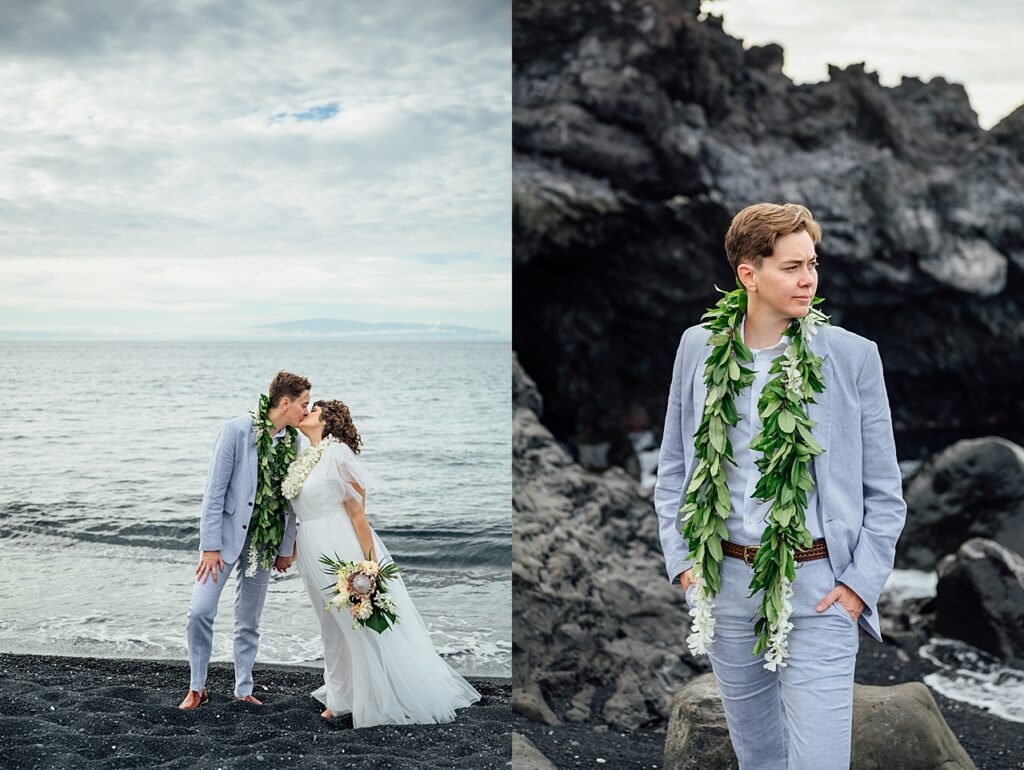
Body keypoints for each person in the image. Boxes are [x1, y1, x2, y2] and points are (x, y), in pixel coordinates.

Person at [654, 203, 907, 769]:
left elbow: (885, 490)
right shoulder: (698, 347)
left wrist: (858, 587)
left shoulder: (852, 356)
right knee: (759, 759)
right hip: (725, 585)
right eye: (792, 267)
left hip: (820, 589)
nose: (808, 279)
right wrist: (685, 566)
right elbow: (674, 466)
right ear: (749, 274)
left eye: (811, 264)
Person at [287, 399, 481, 727]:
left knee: (360, 625)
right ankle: (340, 697)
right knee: (331, 627)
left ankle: (382, 694)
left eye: (314, 411)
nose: (306, 413)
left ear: (328, 421)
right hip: (311, 546)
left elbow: (358, 514)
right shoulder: (305, 457)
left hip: (339, 543)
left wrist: (369, 565)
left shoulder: (338, 455)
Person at [178, 371, 311, 710]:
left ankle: (243, 688)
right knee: (200, 610)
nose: (306, 412)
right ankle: (197, 687)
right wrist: (209, 547)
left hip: (264, 542)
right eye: (303, 404)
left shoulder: (294, 441)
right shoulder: (236, 430)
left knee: (249, 619)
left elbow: (289, 501)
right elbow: (214, 492)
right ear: (284, 402)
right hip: (223, 540)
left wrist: (286, 548)